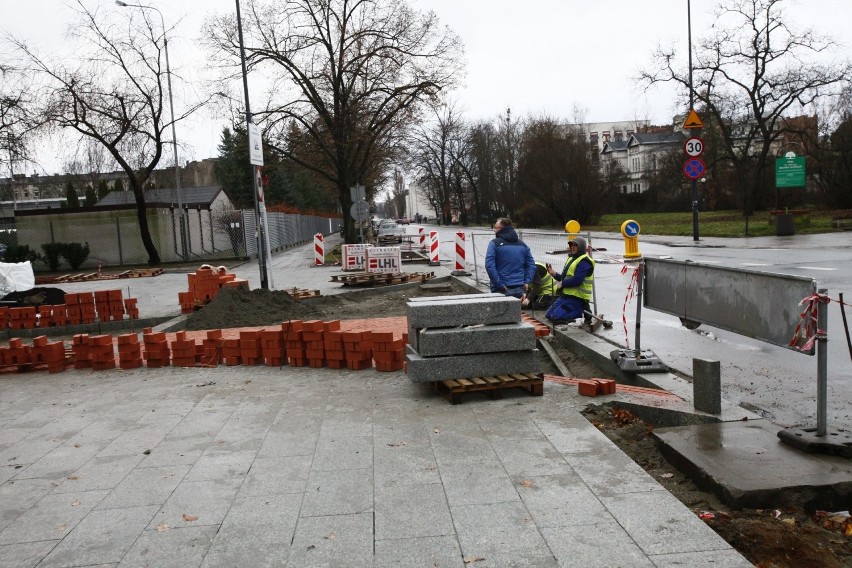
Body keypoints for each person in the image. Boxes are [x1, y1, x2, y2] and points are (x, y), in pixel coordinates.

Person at [545, 236, 595, 324]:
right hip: (566, 295)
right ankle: (578, 310)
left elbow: (577, 280)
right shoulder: (572, 259)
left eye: (575, 245)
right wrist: (554, 274)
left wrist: (563, 283)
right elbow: (565, 278)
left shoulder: (585, 261)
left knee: (555, 317)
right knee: (548, 315)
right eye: (572, 245)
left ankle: (581, 309)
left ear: (581, 247)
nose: (573, 247)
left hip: (577, 297)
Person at [484, 217, 535, 299]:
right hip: (519, 287)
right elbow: (531, 265)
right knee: (516, 311)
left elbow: (489, 265)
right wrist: (526, 281)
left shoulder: (494, 243)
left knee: (500, 311)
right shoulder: (523, 245)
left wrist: (499, 284)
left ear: (502, 229)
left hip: (501, 288)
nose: (494, 230)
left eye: (495, 228)